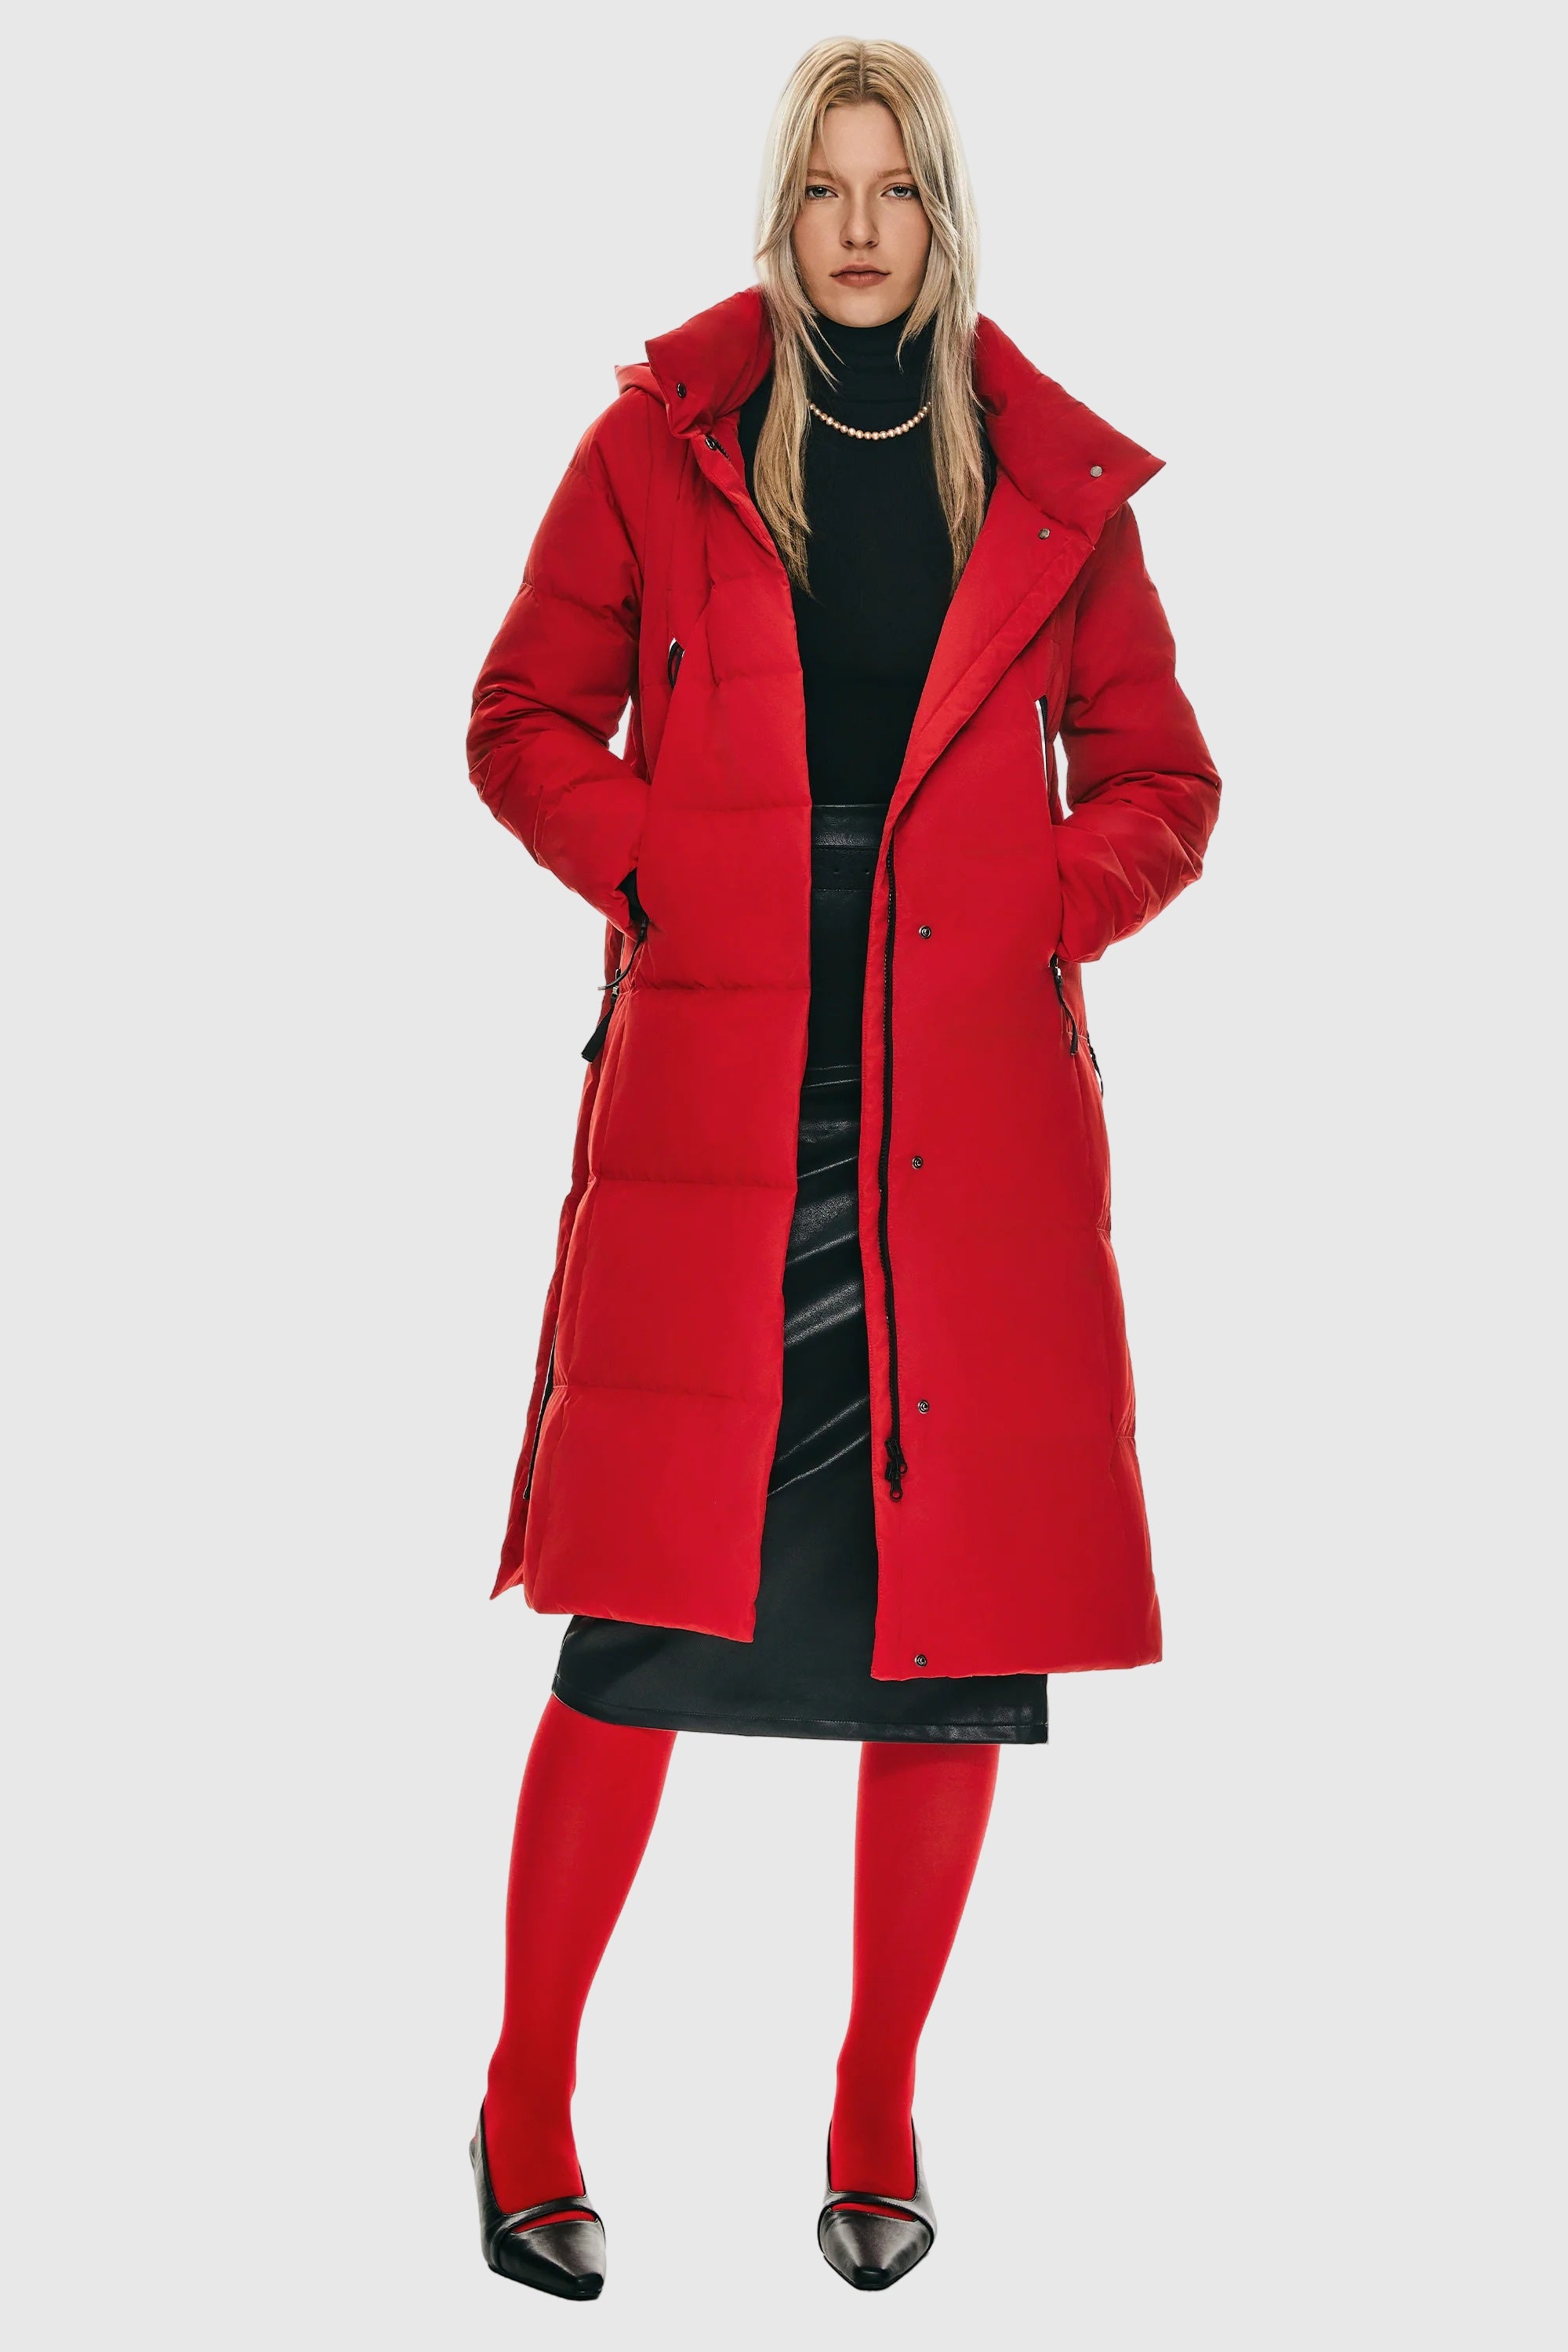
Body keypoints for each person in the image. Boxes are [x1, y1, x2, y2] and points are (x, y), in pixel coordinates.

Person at [462, 35, 1221, 2302]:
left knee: (949, 1631)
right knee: (633, 1621)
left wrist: (1029, 904)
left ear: (943, 210)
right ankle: (524, 2095)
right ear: (782, 213)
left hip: (961, 1104)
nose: (861, 227)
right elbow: (519, 718)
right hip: (724, 1088)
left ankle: (878, 2102)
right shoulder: (658, 446)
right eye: (825, 188)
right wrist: (669, 873)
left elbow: (1165, 780)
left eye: (896, 189)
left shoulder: (1054, 487)